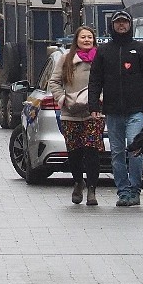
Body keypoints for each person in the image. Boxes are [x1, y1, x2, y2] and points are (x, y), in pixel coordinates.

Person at [87, 10, 143, 207]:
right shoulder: (103, 51)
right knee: (117, 153)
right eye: (118, 22)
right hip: (112, 112)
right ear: (112, 25)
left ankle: (135, 190)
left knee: (134, 150)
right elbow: (95, 80)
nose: (121, 25)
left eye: (124, 22)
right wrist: (93, 104)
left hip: (136, 110)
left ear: (130, 25)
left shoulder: (141, 49)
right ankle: (123, 191)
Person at [48, 26, 104, 206]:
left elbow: (109, 81)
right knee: (75, 152)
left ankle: (92, 189)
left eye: (90, 37)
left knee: (92, 149)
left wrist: (102, 98)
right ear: (76, 40)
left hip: (94, 113)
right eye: (83, 37)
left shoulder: (101, 59)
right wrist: (62, 98)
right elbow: (54, 81)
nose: (87, 40)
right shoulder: (66, 58)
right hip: (70, 113)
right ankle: (78, 182)